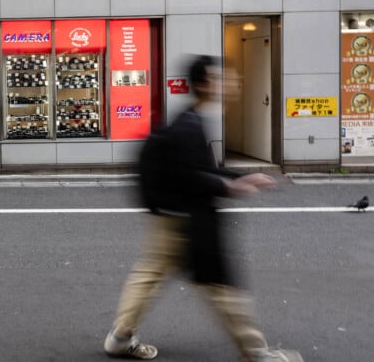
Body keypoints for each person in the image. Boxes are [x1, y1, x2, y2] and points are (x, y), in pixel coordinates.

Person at [103, 55, 302, 362]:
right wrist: (229, 186)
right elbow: (189, 175)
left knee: (149, 276)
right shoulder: (190, 125)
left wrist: (239, 178)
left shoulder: (190, 119)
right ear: (207, 84)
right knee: (220, 285)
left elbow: (198, 170)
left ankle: (120, 338)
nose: (232, 83)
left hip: (168, 217)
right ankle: (256, 353)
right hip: (187, 223)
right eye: (225, 78)